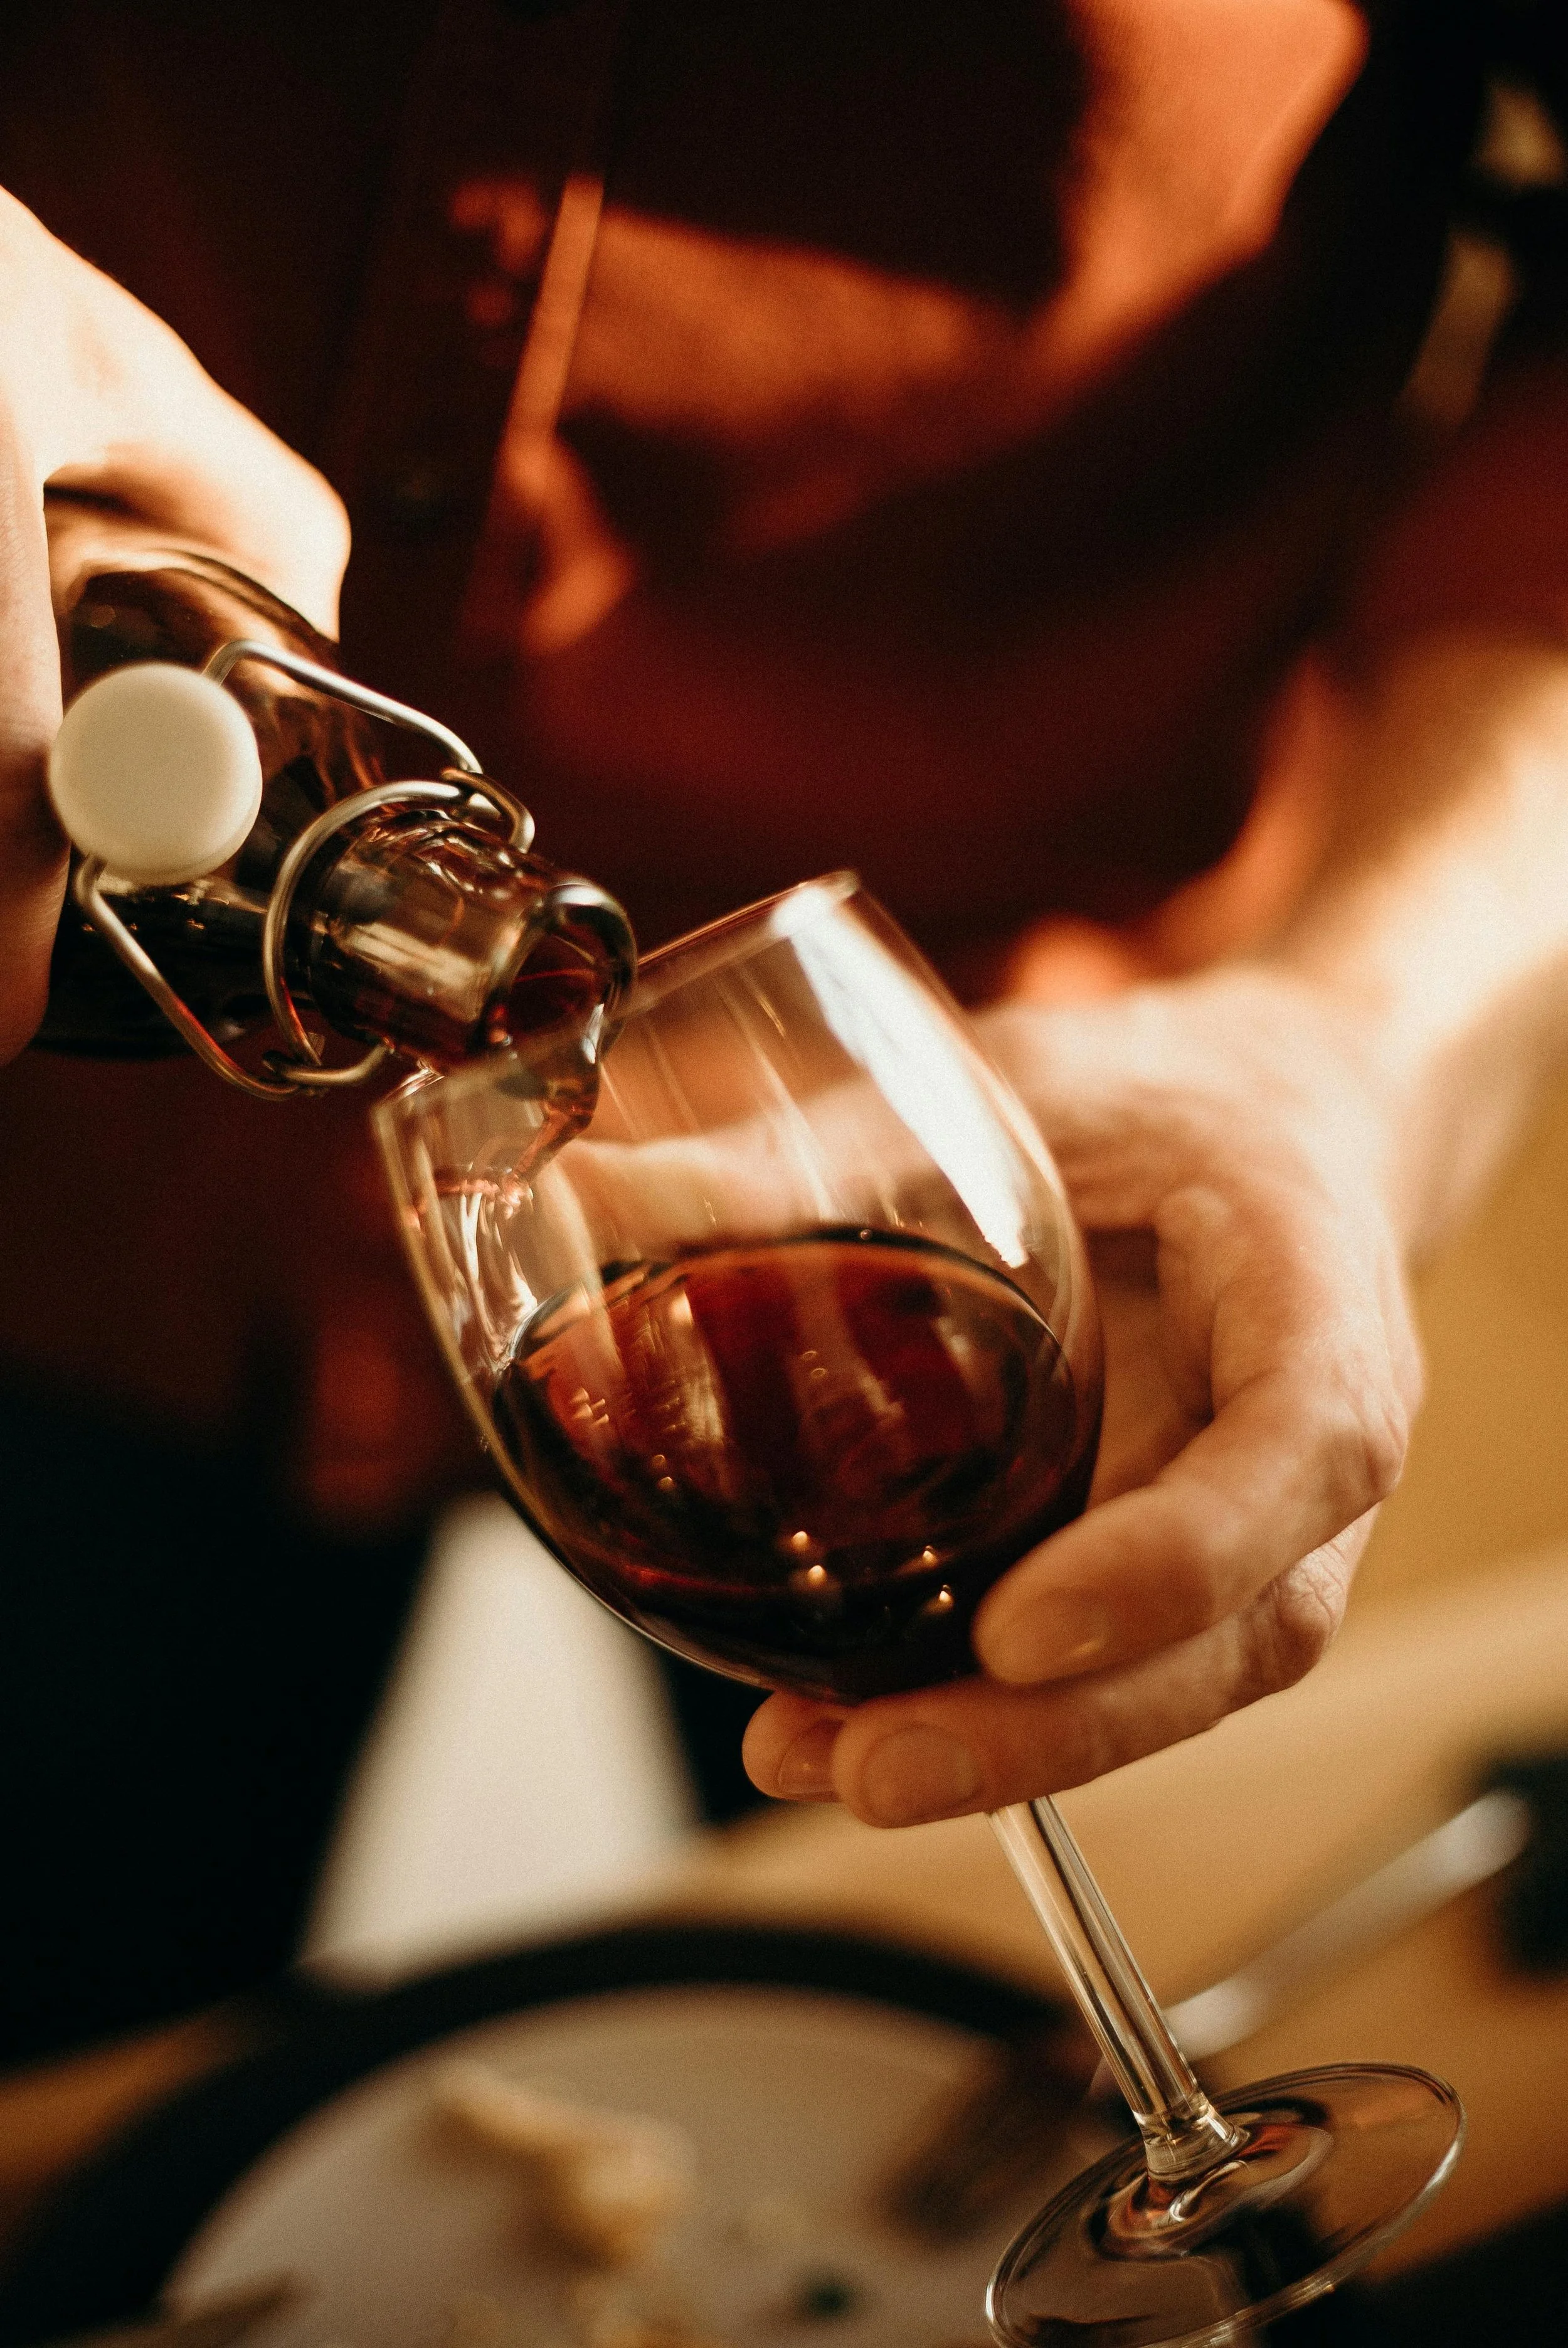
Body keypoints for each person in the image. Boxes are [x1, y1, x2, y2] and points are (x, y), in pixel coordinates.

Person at [0, 0, 1566, 1964]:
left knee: (1013, 2009)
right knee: (85, 2088)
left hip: (1037, 1162)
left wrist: (1364, 1026)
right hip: (60, 1232)